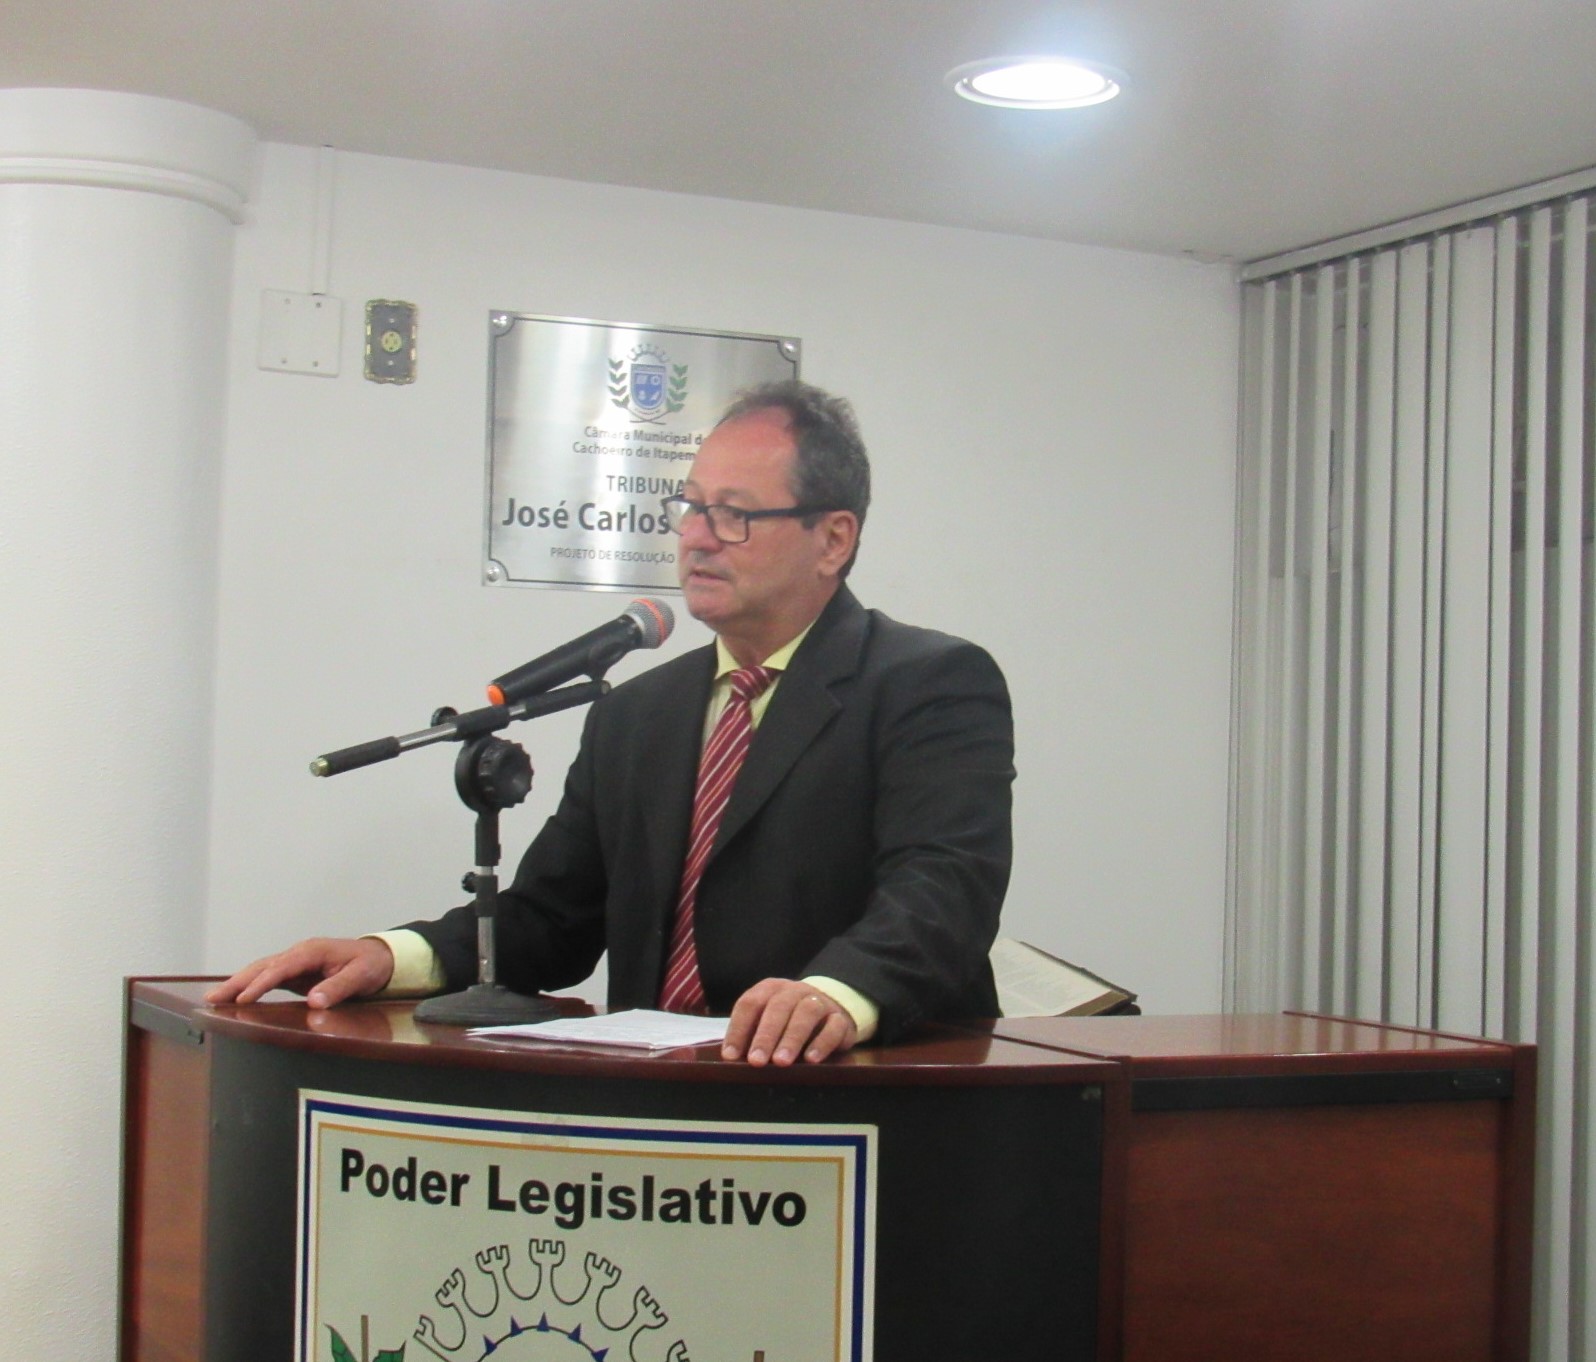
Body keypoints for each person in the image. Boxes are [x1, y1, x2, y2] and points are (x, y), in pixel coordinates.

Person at [208, 381, 1014, 1065]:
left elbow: (944, 891)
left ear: (833, 538)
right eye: (690, 507)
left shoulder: (928, 684)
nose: (695, 538)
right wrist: (389, 957)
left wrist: (836, 994)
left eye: (733, 515)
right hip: (656, 1104)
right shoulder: (637, 712)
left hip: (851, 1093)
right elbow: (552, 920)